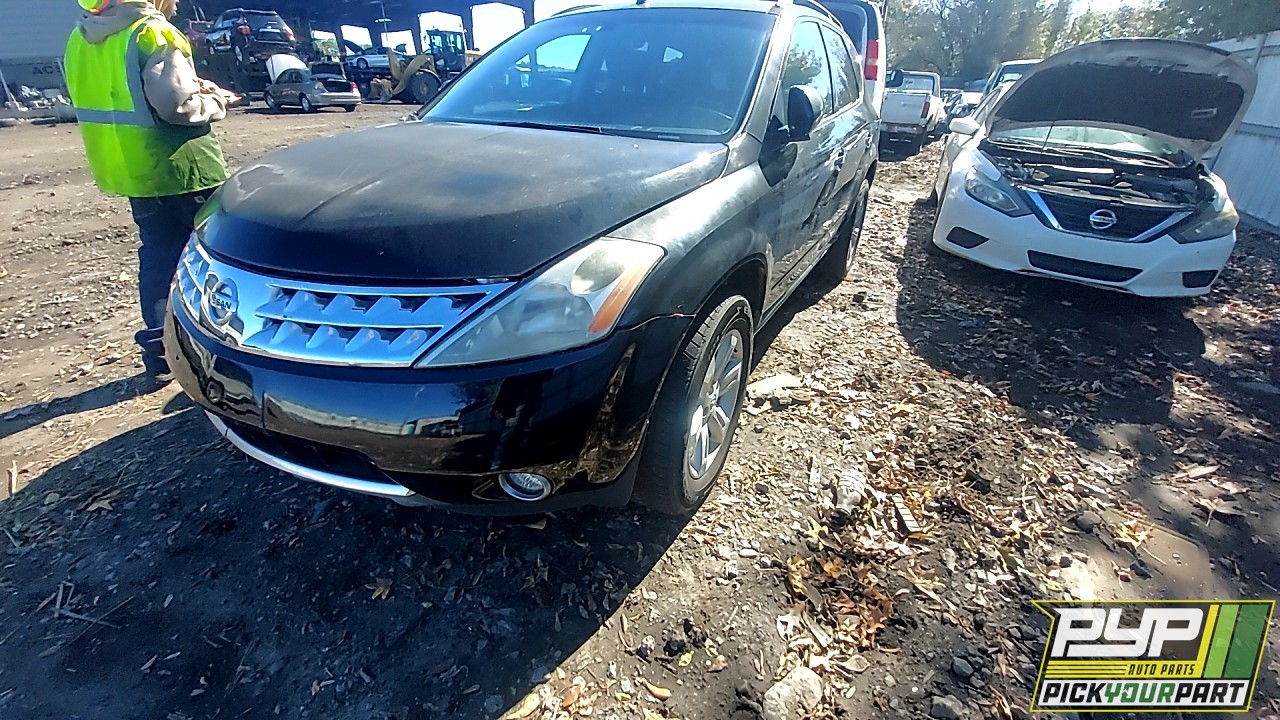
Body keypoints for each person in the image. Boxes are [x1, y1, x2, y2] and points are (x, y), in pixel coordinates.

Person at [65, 0, 232, 381]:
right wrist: (216, 99)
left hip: (132, 169)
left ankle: (159, 351)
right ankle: (229, 348)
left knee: (158, 255)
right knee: (223, 254)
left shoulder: (82, 38)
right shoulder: (152, 32)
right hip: (182, 166)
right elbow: (178, 108)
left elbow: (119, 95)